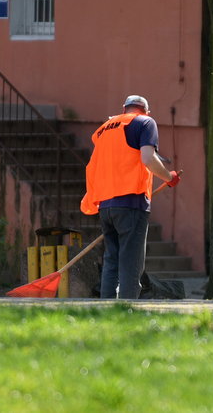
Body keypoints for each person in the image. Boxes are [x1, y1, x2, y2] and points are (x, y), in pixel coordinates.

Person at [80, 94, 181, 299]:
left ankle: (106, 309)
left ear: (124, 108)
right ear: (146, 111)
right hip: (131, 202)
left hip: (105, 203)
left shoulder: (103, 130)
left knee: (112, 260)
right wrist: (167, 177)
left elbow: (94, 166)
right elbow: (147, 158)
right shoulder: (145, 122)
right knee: (131, 263)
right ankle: (127, 309)